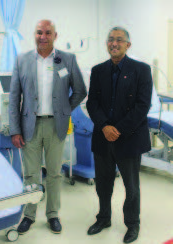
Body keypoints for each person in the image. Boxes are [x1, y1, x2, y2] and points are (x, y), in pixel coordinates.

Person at [9, 19, 87, 234]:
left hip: (55, 125)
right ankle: (29, 215)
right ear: (34, 34)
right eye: (39, 32)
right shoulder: (22, 60)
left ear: (55, 35)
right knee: (31, 174)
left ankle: (53, 214)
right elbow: (15, 97)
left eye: (47, 33)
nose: (42, 36)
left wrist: (65, 110)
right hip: (29, 126)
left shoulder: (67, 60)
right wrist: (15, 129)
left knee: (54, 173)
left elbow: (80, 90)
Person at [86, 27, 152, 243]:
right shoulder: (98, 71)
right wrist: (105, 126)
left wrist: (119, 129)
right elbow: (92, 103)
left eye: (119, 40)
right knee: (102, 184)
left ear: (127, 45)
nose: (114, 44)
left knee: (131, 187)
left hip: (129, 138)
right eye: (110, 40)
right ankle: (103, 218)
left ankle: (132, 224)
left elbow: (142, 106)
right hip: (103, 138)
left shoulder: (141, 70)